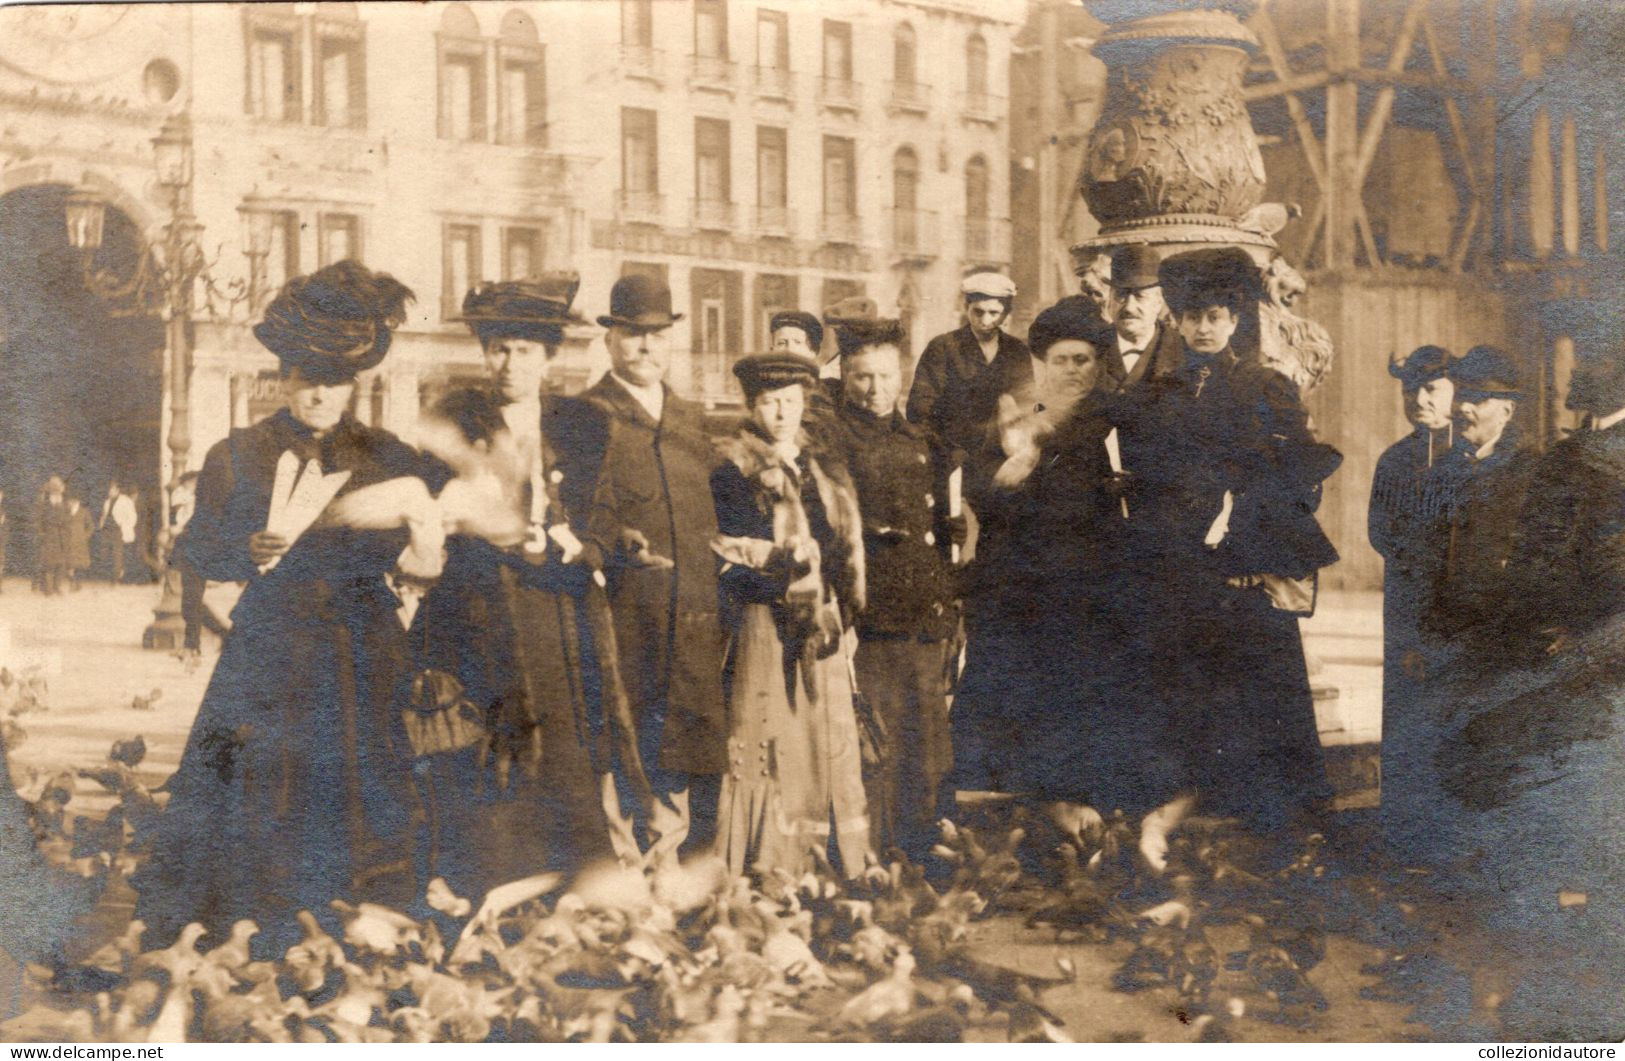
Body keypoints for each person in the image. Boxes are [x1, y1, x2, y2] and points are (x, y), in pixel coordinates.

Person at [134, 261, 433, 955]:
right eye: (306, 376)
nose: (319, 393)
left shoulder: (387, 456)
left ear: (353, 384)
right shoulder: (236, 454)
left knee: (356, 776)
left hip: (359, 650)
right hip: (267, 650)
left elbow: (411, 550)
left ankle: (354, 910)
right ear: (283, 376)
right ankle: (258, 909)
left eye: (333, 380)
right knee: (257, 781)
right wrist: (245, 545)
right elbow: (197, 548)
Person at [403, 274, 621, 900]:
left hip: (552, 609)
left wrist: (577, 545)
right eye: (497, 348)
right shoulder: (455, 422)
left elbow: (603, 520)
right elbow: (430, 512)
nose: (508, 364)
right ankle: (490, 878)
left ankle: (570, 880)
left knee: (561, 741)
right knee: (485, 748)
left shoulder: (582, 427)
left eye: (524, 350)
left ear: (549, 357)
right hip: (477, 610)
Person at [1137, 247, 1340, 834]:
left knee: (1257, 701)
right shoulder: (1157, 396)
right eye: (1193, 316)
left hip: (1245, 577)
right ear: (1175, 319)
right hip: (1183, 577)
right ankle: (1187, 819)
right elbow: (1148, 487)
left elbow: (1301, 481)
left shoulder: (1266, 388)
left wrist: (1249, 537)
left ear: (1234, 320)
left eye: (1217, 316)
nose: (1204, 328)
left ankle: (1271, 830)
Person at [582, 274, 727, 866]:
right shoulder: (588, 415)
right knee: (628, 735)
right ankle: (627, 866)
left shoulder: (692, 419)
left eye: (657, 336)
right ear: (611, 340)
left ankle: (670, 864)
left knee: (684, 738)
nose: (645, 348)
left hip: (693, 610)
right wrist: (617, 542)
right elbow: (581, 512)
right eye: (632, 335)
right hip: (626, 612)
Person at [710, 351, 873, 877]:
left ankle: (829, 859)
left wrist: (836, 598)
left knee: (825, 732)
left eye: (789, 401)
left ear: (804, 404)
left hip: (820, 619)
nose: (780, 413)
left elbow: (843, 545)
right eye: (768, 402)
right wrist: (776, 580)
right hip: (765, 621)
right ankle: (770, 859)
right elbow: (724, 557)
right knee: (774, 733)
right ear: (751, 406)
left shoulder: (821, 471)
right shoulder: (733, 472)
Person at [827, 314, 956, 860]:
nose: (874, 389)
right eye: (861, 377)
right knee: (876, 743)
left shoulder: (919, 438)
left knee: (924, 743)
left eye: (884, 375)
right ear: (845, 377)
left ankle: (918, 851)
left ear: (901, 373)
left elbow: (941, 530)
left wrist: (949, 608)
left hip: (923, 615)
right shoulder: (834, 440)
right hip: (872, 618)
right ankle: (875, 857)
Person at [1368, 345, 1462, 855]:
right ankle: (1403, 833)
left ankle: (1451, 835)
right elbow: (1379, 532)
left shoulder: (1469, 458)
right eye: (1411, 390)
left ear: (1454, 392)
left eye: (1431, 389)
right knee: (1403, 707)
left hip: (1456, 608)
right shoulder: (1394, 461)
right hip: (1404, 605)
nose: (1419, 400)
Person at [1422, 345, 1536, 652]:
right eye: (1461, 395)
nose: (1463, 407)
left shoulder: (1532, 470)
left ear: (1507, 412)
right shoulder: (1444, 467)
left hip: (1504, 634)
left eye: (1478, 398)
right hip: (1447, 632)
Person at [906, 272, 1031, 470]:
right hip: (950, 457)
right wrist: (944, 452)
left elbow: (1028, 401)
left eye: (994, 313)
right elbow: (920, 408)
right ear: (966, 309)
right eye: (978, 312)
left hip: (1002, 460)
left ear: (1006, 314)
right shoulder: (943, 347)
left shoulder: (1017, 351)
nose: (985, 320)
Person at [1104, 244, 1184, 390]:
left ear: (1158, 302)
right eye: (1121, 295)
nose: (1129, 307)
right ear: (1109, 300)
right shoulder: (1089, 348)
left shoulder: (1185, 352)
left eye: (1140, 296)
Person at [34, 477, 70, 595]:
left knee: (60, 564)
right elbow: (38, 520)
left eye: (58, 493)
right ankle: (47, 589)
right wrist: (41, 533)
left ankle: (56, 587)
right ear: (50, 494)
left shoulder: (63, 504)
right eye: (54, 493)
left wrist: (66, 533)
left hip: (61, 538)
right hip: (49, 537)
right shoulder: (44, 505)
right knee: (48, 563)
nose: (56, 495)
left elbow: (67, 520)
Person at [97, 480, 137, 583]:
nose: (110, 492)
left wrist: (125, 526)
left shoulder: (125, 501)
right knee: (106, 553)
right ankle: (113, 574)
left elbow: (132, 516)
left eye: (112, 489)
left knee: (117, 554)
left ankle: (115, 578)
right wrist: (101, 524)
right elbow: (104, 515)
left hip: (118, 530)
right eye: (109, 489)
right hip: (107, 530)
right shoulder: (107, 501)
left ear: (117, 490)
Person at [64, 494, 93, 591]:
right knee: (69, 564)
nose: (69, 503)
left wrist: (85, 536)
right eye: (69, 501)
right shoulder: (66, 511)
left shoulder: (84, 512)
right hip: (68, 541)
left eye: (72, 501)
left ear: (77, 501)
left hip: (80, 542)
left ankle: (78, 583)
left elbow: (91, 527)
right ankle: (72, 582)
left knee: (79, 564)